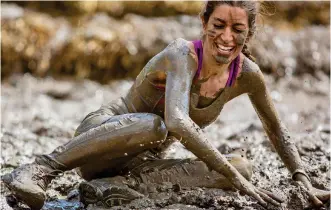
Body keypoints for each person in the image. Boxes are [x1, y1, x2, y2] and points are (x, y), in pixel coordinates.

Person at [2, 1, 329, 209]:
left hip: (140, 163)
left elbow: (275, 127)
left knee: (243, 168)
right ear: (204, 23)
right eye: (218, 25)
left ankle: (112, 187)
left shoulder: (248, 75)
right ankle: (40, 168)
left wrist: (300, 175)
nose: (227, 36)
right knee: (154, 125)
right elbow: (176, 121)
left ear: (249, 34)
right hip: (98, 140)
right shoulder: (182, 54)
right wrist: (230, 174)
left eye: (238, 29)